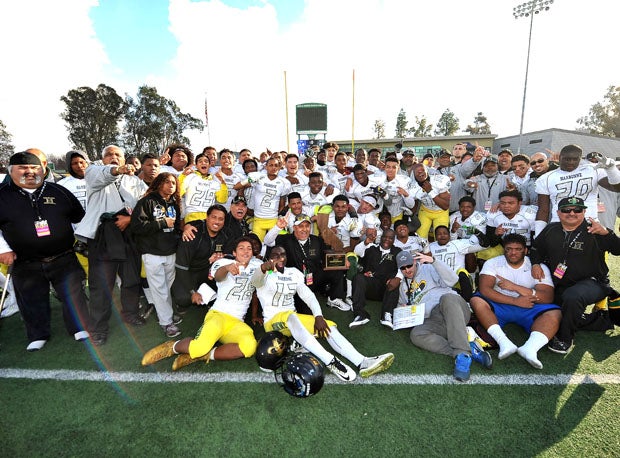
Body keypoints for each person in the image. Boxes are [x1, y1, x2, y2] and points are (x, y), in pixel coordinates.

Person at [251, 246, 394, 381]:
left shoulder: (293, 272)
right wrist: (263, 268)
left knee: (328, 326)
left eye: (282, 254)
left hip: (293, 323)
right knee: (291, 316)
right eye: (275, 255)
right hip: (273, 324)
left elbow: (308, 296)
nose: (279, 258)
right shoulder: (264, 273)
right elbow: (255, 281)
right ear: (268, 258)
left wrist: (318, 316)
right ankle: (330, 361)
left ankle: (362, 361)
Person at [0, 152, 90, 351]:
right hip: (25, 260)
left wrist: (83, 242)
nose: (30, 172)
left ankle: (79, 327)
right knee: (31, 298)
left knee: (73, 294)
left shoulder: (59, 191)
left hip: (63, 255)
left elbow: (79, 218)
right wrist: (3, 250)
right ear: (11, 171)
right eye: (23, 168)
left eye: (35, 168)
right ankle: (37, 334)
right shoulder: (2, 195)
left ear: (43, 170)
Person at [141, 237, 261, 370]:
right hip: (218, 315)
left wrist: (269, 267)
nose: (245, 251)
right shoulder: (223, 262)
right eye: (241, 248)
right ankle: (172, 347)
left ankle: (206, 355)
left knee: (249, 347)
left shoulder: (256, 265)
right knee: (199, 348)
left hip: (237, 322)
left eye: (249, 248)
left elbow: (265, 276)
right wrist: (227, 268)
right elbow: (218, 276)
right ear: (234, 252)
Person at [75, 145, 147, 346]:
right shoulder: (93, 172)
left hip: (129, 234)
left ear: (125, 159)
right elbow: (104, 175)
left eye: (118, 155)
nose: (113, 157)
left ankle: (130, 313)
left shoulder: (135, 181)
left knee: (131, 278)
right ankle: (98, 327)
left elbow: (143, 206)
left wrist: (130, 220)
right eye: (109, 155)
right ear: (102, 158)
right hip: (103, 235)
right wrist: (118, 170)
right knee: (101, 284)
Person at [529, 197, 620, 353]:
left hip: (593, 283)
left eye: (577, 210)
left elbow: (618, 250)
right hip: (561, 284)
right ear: (558, 213)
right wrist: (536, 263)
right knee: (545, 312)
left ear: (584, 211)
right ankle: (600, 321)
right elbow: (536, 249)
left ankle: (565, 339)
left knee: (573, 297)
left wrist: (607, 233)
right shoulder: (551, 229)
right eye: (566, 210)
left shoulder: (595, 230)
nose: (571, 213)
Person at [387, 250, 492, 382]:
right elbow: (401, 310)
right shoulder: (402, 287)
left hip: (453, 308)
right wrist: (404, 310)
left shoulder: (428, 268)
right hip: (433, 319)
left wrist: (434, 262)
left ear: (414, 262)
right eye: (403, 268)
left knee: (447, 298)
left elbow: (453, 280)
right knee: (416, 334)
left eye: (409, 265)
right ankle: (467, 349)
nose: (407, 270)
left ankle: (463, 357)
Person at [470, 234, 560, 369]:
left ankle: (530, 349)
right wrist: (515, 300)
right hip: (500, 303)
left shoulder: (537, 267)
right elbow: (485, 290)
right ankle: (504, 342)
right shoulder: (493, 263)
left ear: (525, 250)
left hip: (529, 305)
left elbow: (547, 297)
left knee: (555, 313)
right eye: (509, 249)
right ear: (504, 250)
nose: (513, 252)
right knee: (476, 300)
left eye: (518, 249)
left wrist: (515, 287)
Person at [130, 173, 182, 338]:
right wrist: (161, 223)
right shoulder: (147, 201)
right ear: (159, 183)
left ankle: (166, 314)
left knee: (166, 287)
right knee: (159, 289)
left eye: (174, 182)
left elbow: (177, 227)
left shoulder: (174, 203)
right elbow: (137, 226)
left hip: (170, 252)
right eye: (167, 182)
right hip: (152, 253)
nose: (171, 185)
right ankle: (166, 322)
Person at [268, 214, 349, 313]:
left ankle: (333, 298)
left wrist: (343, 259)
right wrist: (277, 227)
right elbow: (268, 242)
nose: (304, 229)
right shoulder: (286, 239)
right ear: (294, 228)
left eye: (307, 226)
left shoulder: (317, 240)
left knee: (337, 268)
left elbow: (328, 255)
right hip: (296, 282)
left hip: (314, 276)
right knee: (307, 312)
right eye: (300, 226)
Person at [534, 144, 620, 235]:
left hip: (589, 224)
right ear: (559, 158)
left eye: (575, 159)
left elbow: (616, 188)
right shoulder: (546, 178)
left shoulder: (593, 170)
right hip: (560, 225)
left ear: (580, 159)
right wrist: (539, 235)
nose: (571, 162)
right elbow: (543, 210)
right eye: (567, 159)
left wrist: (611, 169)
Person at [172, 204, 228, 309]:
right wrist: (193, 292)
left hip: (207, 273)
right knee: (183, 298)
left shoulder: (224, 236)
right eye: (214, 217)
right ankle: (181, 306)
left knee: (223, 289)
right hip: (188, 273)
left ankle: (209, 301)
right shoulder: (192, 233)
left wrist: (220, 259)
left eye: (221, 219)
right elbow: (181, 267)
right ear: (207, 217)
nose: (217, 222)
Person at [349, 229, 400, 328]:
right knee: (358, 277)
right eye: (385, 237)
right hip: (370, 287)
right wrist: (365, 243)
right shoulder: (372, 249)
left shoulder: (397, 251)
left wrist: (397, 278)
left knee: (395, 282)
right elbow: (357, 252)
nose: (387, 240)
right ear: (381, 237)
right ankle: (360, 314)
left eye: (390, 238)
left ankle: (387, 315)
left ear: (394, 240)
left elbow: (402, 268)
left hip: (386, 289)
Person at [234, 156, 291, 241]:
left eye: (276, 165)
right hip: (258, 219)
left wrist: (273, 213)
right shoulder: (259, 177)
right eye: (271, 165)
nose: (273, 167)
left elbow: (282, 205)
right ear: (266, 167)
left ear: (279, 167)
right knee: (257, 248)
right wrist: (248, 180)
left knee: (274, 246)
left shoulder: (284, 183)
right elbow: (236, 187)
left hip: (273, 220)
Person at [429, 226, 486, 302]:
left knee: (462, 272)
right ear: (435, 236)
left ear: (449, 235)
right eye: (439, 234)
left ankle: (467, 301)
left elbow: (485, 245)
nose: (442, 235)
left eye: (445, 233)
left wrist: (476, 232)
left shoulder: (458, 244)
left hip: (457, 282)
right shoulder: (430, 247)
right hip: (439, 282)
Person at [178, 151, 227, 225]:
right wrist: (183, 176)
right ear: (196, 166)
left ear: (210, 165)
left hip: (209, 218)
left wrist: (223, 182)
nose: (203, 163)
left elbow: (222, 199)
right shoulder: (190, 177)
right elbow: (179, 192)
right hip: (192, 217)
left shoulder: (215, 182)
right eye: (200, 161)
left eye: (206, 161)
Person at [410, 162, 451, 240]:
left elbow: (445, 206)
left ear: (427, 171)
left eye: (422, 170)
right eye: (417, 172)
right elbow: (414, 203)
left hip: (441, 211)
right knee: (420, 238)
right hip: (425, 211)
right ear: (414, 175)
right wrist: (411, 214)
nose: (420, 173)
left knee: (441, 237)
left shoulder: (439, 181)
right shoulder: (413, 188)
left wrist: (430, 191)